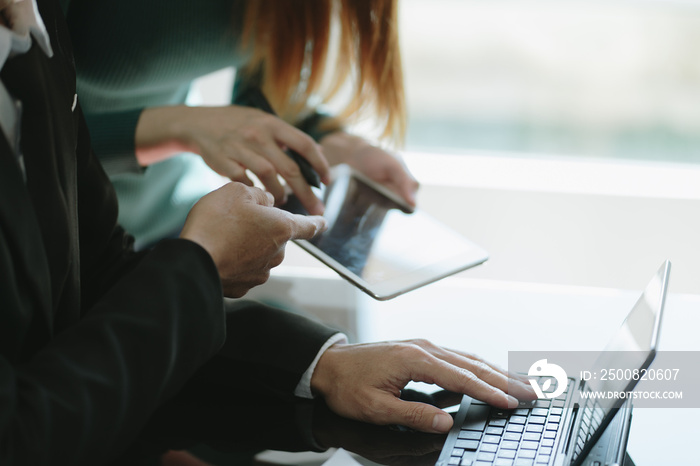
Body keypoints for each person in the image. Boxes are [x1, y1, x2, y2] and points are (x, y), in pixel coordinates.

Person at [0, 0, 534, 464]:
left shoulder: (27, 31)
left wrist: (325, 364)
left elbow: (101, 276)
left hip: (123, 271)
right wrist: (196, 266)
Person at [59, 0, 420, 248]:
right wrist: (178, 127)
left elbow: (261, 82)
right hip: (56, 241)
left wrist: (328, 139)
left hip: (174, 225)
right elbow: (18, 141)